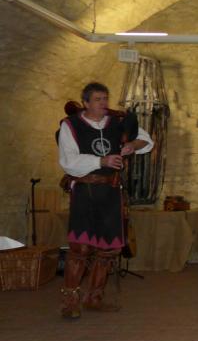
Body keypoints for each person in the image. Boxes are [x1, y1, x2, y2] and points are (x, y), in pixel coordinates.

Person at [58, 82, 153, 319]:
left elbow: (146, 140)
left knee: (108, 248)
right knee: (80, 247)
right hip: (85, 191)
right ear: (86, 103)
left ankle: (94, 298)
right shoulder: (71, 125)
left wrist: (131, 145)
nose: (103, 103)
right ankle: (70, 301)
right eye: (98, 99)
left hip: (111, 192)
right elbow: (68, 161)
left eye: (105, 98)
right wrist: (101, 161)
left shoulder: (117, 121)